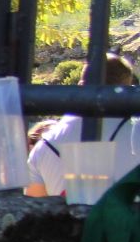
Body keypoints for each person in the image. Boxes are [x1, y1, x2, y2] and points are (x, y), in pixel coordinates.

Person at [25, 53, 136, 197]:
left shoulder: (44, 146)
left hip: (68, 219)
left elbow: (33, 209)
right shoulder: (135, 134)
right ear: (127, 89)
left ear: (81, 86)